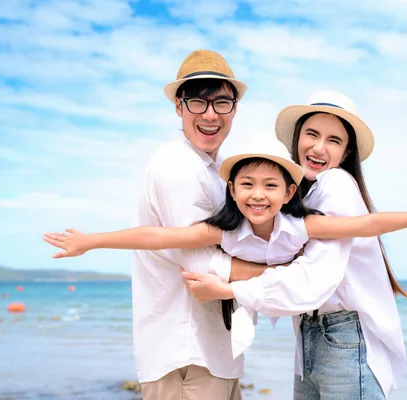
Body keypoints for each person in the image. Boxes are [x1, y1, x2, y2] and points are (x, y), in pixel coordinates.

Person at [43, 140, 407, 358]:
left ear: (290, 190)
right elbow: (158, 235)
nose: (258, 195)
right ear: (231, 190)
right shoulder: (224, 232)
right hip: (258, 313)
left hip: (296, 310)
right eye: (247, 185)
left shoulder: (302, 225)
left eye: (271, 186)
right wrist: (91, 241)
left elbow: (367, 223)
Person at [179, 91, 407, 399]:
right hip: (315, 337)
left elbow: (312, 277)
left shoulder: (335, 185)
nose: (319, 148)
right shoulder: (299, 201)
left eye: (334, 141)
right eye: (312, 134)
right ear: (297, 139)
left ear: (346, 153)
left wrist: (228, 288)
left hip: (343, 337)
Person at [126, 49, 250, 400]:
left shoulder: (217, 168)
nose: (210, 115)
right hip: (185, 355)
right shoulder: (177, 166)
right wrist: (287, 270)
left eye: (221, 103)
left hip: (209, 353)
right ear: (179, 108)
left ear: (235, 108)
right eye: (197, 102)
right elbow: (201, 267)